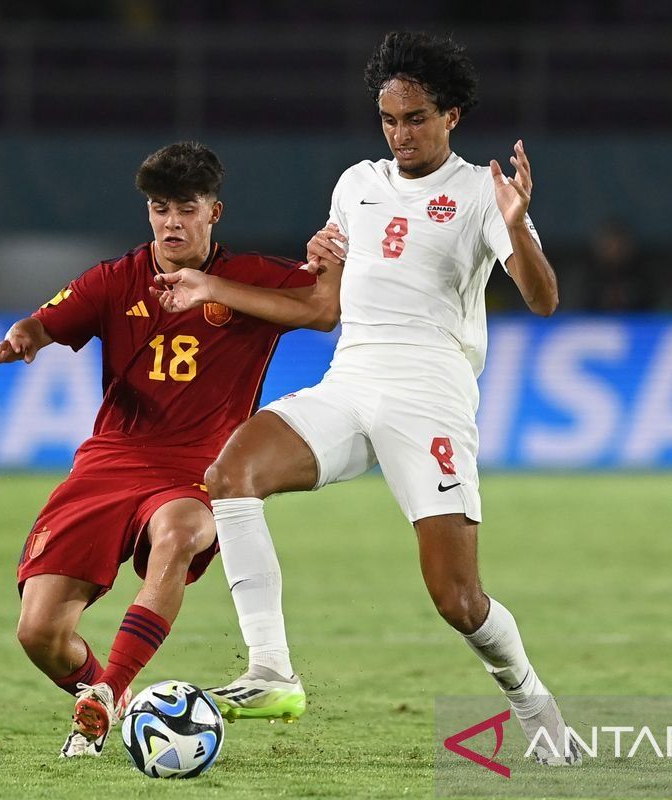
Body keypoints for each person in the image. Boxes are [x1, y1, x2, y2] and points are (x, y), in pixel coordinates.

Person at [151, 31, 580, 764]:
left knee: (458, 599)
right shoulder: (356, 184)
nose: (400, 133)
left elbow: (543, 300)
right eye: (389, 118)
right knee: (231, 474)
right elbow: (331, 296)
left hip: (431, 395)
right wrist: (322, 263)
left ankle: (534, 705)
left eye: (415, 118)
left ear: (452, 116)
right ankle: (272, 670)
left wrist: (516, 227)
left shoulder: (483, 192)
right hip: (351, 379)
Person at [0, 141, 322, 758]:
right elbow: (45, 321)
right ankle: (107, 698)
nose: (171, 222)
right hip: (107, 466)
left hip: (197, 472)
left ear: (213, 213)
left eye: (185, 209)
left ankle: (110, 694)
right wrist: (22, 338)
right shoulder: (114, 281)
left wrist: (338, 256)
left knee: (177, 534)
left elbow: (327, 303)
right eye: (159, 208)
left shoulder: (247, 281)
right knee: (39, 633)